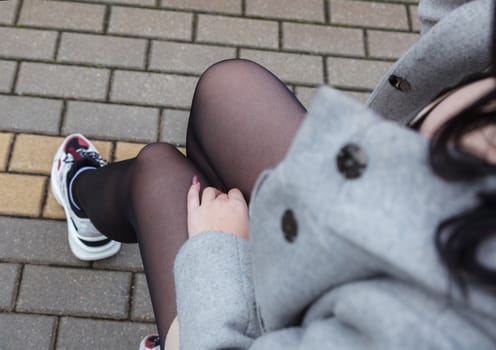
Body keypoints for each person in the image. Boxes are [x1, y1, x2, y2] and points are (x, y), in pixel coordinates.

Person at [50, 0, 495, 349]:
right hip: (396, 216)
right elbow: (459, 27)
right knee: (229, 92)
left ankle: (82, 194)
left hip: (347, 298)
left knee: (159, 172)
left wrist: (219, 253)